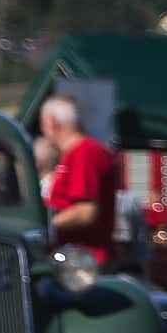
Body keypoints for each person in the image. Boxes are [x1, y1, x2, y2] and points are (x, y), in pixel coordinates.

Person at [38, 90, 121, 273]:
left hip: (84, 264)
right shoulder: (77, 153)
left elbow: (85, 211)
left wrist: (42, 225)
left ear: (51, 123)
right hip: (76, 260)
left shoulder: (83, 152)